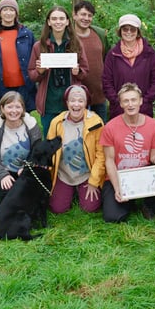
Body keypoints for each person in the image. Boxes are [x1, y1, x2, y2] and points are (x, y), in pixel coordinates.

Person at [100, 83, 155, 222]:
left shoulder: (152, 124)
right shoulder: (110, 127)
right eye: (126, 101)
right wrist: (117, 188)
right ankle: (128, 202)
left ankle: (149, 205)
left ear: (140, 101)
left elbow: (154, 153)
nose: (130, 104)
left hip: (142, 174)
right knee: (113, 217)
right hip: (120, 176)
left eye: (133, 100)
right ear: (121, 104)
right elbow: (109, 160)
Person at [29, 5, 89, 136]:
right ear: (49, 22)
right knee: (50, 140)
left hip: (72, 102)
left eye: (62, 18)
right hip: (49, 102)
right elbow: (32, 75)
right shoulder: (39, 46)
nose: (58, 22)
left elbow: (85, 72)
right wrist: (40, 71)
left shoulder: (76, 44)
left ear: (67, 21)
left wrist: (77, 72)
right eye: (54, 19)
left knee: (73, 138)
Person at [46, 85, 105, 214]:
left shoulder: (96, 122)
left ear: (86, 103)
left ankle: (80, 190)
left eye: (80, 101)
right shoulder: (56, 123)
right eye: (72, 100)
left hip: (86, 174)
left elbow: (101, 155)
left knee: (90, 207)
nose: (76, 104)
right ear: (67, 103)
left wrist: (94, 182)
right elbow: (49, 152)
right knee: (58, 208)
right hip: (64, 174)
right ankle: (68, 191)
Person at [0, 91, 43, 208]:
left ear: (23, 109)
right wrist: (2, 175)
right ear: (2, 108)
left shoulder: (32, 127)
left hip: (25, 171)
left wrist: (27, 167)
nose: (14, 111)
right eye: (9, 107)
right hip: (3, 172)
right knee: (9, 197)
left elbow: (38, 153)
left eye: (18, 107)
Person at [0, 0, 36, 114]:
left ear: (16, 13)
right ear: (0, 13)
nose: (8, 13)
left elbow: (34, 57)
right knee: (1, 123)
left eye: (12, 10)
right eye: (5, 10)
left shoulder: (27, 34)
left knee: (23, 121)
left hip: (23, 86)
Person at [102, 14, 155, 120]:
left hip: (143, 109)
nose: (129, 32)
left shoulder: (149, 53)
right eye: (125, 29)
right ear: (120, 31)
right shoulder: (113, 54)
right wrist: (118, 101)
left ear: (138, 31)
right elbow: (106, 81)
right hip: (119, 110)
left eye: (133, 29)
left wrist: (145, 101)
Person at [73, 1, 110, 121]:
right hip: (76, 96)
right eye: (83, 14)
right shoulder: (68, 36)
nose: (86, 18)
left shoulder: (99, 34)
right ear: (74, 15)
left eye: (89, 15)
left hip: (99, 93)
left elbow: (107, 58)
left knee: (99, 130)